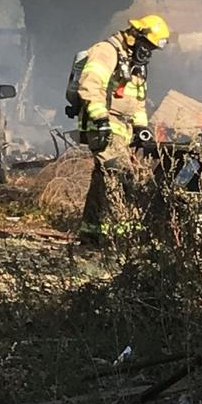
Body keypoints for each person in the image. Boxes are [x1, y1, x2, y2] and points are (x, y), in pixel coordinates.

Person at [76, 14, 169, 244]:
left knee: (103, 176)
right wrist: (100, 119)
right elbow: (89, 85)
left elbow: (137, 100)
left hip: (122, 127)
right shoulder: (107, 51)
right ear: (134, 36)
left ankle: (91, 231)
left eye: (152, 49)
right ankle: (120, 234)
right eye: (146, 45)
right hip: (103, 122)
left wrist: (141, 127)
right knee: (119, 174)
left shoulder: (135, 64)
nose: (148, 51)